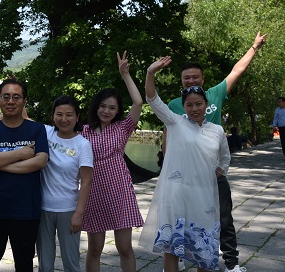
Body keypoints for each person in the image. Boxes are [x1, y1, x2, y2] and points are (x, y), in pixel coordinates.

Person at [165, 31, 266, 272]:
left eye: (195, 77)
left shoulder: (215, 94)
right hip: (185, 174)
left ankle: (231, 263)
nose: (191, 81)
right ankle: (182, 255)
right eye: (186, 78)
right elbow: (168, 137)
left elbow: (236, 70)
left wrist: (254, 47)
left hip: (212, 171)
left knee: (223, 217)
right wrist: (167, 167)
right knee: (181, 217)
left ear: (203, 78)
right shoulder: (174, 105)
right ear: (181, 81)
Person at [140, 56, 231, 272]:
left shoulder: (217, 131)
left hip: (204, 196)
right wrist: (150, 72)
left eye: (199, 104)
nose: (194, 108)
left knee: (204, 247)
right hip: (176, 194)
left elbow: (224, 159)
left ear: (206, 105)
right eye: (189, 105)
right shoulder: (175, 122)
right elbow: (152, 99)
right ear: (184, 107)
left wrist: (212, 175)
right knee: (172, 247)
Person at [0, 78, 49, 272]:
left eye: (16, 97)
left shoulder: (37, 129)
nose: (10, 101)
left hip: (26, 210)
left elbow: (40, 161)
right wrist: (21, 153)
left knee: (24, 266)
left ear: (24, 101)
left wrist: (0, 162)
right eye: (6, 96)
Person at [80, 51, 144, 272]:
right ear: (96, 106)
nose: (106, 111)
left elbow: (138, 102)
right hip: (93, 192)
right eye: (103, 106)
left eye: (112, 107)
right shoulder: (84, 132)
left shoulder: (123, 128)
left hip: (120, 191)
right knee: (95, 248)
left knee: (124, 247)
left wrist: (125, 75)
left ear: (117, 111)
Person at [37, 95, 93, 272]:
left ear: (77, 117)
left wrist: (79, 214)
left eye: (69, 115)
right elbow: (23, 116)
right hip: (43, 208)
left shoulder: (83, 144)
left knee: (71, 263)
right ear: (53, 116)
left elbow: (86, 181)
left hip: (68, 210)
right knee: (45, 264)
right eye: (59, 114)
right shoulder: (46, 133)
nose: (64, 119)